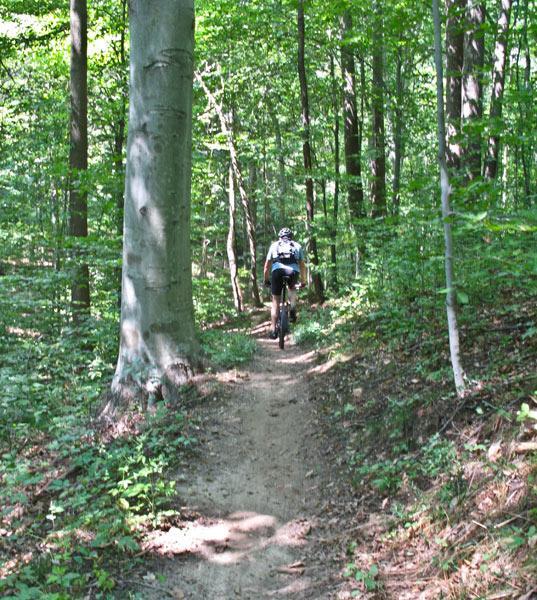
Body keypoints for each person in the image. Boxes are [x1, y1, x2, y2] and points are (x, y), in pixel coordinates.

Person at [263, 227, 307, 340]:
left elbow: (267, 265)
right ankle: (292, 307)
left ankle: (273, 329)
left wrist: (266, 279)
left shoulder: (274, 246)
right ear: (291, 237)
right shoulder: (297, 246)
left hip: (277, 272)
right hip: (293, 272)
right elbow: (302, 265)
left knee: (275, 301)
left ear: (280, 237)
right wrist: (303, 281)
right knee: (291, 288)